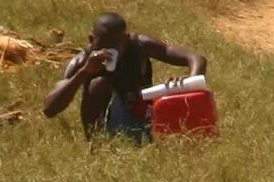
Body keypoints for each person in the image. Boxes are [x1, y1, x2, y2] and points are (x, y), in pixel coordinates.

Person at [42, 12, 204, 143]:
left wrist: (189, 84)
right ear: (92, 40)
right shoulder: (82, 61)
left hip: (144, 114)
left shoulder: (139, 46)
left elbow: (195, 58)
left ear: (126, 40)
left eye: (116, 46)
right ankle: (96, 144)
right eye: (104, 45)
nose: (110, 51)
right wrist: (84, 72)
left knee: (171, 94)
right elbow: (49, 109)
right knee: (97, 84)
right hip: (109, 126)